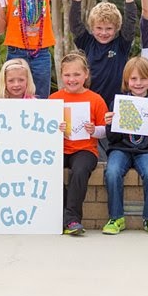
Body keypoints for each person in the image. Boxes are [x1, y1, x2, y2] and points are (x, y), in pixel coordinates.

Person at [102, 57, 148, 235]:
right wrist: (110, 124)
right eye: (133, 79)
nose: (138, 83)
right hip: (121, 149)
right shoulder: (119, 102)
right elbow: (112, 138)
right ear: (127, 81)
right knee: (112, 171)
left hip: (147, 151)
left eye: (143, 78)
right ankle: (116, 217)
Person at [49, 52, 108, 235]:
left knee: (80, 171)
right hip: (60, 148)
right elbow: (45, 128)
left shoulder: (96, 99)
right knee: (47, 169)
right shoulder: (54, 99)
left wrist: (94, 130)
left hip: (85, 149)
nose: (72, 79)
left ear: (86, 75)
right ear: (61, 75)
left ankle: (73, 219)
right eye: (67, 75)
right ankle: (65, 216)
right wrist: (55, 128)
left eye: (76, 74)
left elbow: (105, 130)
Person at [71, 0, 137, 109]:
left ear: (117, 28)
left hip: (116, 104)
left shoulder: (121, 44)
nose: (103, 33)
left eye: (109, 29)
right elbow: (74, 22)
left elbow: (130, 21)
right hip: (91, 104)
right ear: (92, 27)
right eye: (99, 28)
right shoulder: (87, 42)